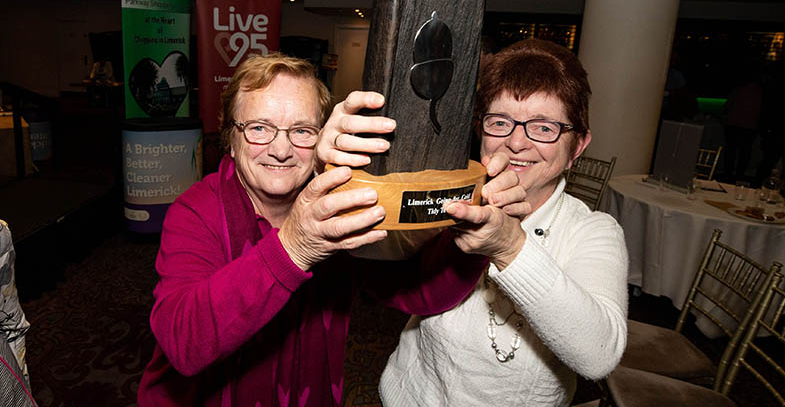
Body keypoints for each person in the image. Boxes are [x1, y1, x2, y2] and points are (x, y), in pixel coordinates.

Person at [137, 53, 525, 406]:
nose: (281, 149)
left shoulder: (341, 206)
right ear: (230, 139)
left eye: (302, 131)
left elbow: (419, 292)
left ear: (324, 139)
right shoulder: (195, 211)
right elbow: (183, 342)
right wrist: (294, 247)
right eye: (259, 128)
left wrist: (472, 237)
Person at [320, 39, 629, 406]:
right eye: (500, 122)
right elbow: (379, 274)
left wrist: (509, 246)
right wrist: (331, 167)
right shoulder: (450, 197)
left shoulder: (593, 231)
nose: (516, 142)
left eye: (544, 128)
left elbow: (598, 355)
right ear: (479, 130)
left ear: (577, 146)